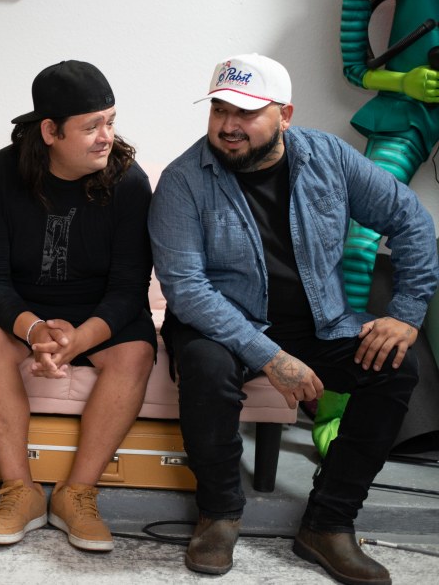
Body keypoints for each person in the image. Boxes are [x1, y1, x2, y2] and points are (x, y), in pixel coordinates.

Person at [149, 53, 438, 583]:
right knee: (208, 370)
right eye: (219, 110)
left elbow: (411, 220)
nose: (228, 126)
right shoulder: (182, 180)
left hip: (318, 321)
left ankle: (328, 523)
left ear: (284, 115)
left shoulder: (328, 156)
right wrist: (272, 358)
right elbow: (187, 289)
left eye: (246, 112)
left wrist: (405, 314)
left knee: (399, 364)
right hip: (219, 324)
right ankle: (219, 514)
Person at [0, 61, 156, 551]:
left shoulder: (129, 183)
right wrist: (34, 331)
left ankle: (77, 494)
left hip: (99, 310)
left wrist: (78, 340)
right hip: (17, 307)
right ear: (49, 131)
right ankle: (19, 491)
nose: (106, 136)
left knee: (134, 352)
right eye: (91, 126)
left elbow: (130, 287)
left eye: (110, 122)